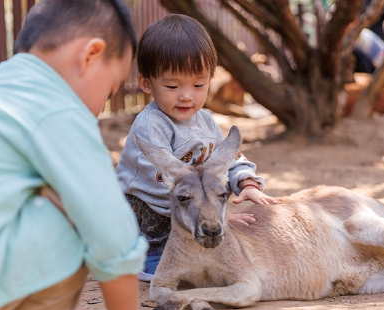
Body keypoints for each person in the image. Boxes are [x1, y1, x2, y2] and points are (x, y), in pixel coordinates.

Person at [0, 1, 148, 310]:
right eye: (109, 90)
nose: (101, 105)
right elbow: (112, 233)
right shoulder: (59, 108)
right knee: (80, 208)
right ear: (90, 55)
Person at [116, 14, 277, 282]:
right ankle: (152, 254)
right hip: (150, 211)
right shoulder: (151, 126)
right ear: (146, 83)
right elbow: (161, 185)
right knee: (162, 208)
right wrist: (211, 213)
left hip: (190, 206)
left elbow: (226, 158)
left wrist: (246, 181)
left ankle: (197, 245)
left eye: (198, 85)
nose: (186, 95)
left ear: (210, 80)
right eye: (172, 86)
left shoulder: (205, 121)